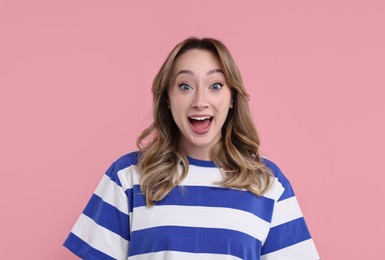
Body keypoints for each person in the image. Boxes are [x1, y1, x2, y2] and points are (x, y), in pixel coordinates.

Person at [64, 37, 320, 259]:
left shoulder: (268, 183)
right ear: (167, 98)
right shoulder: (127, 177)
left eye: (215, 86)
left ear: (231, 98)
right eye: (185, 86)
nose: (200, 101)